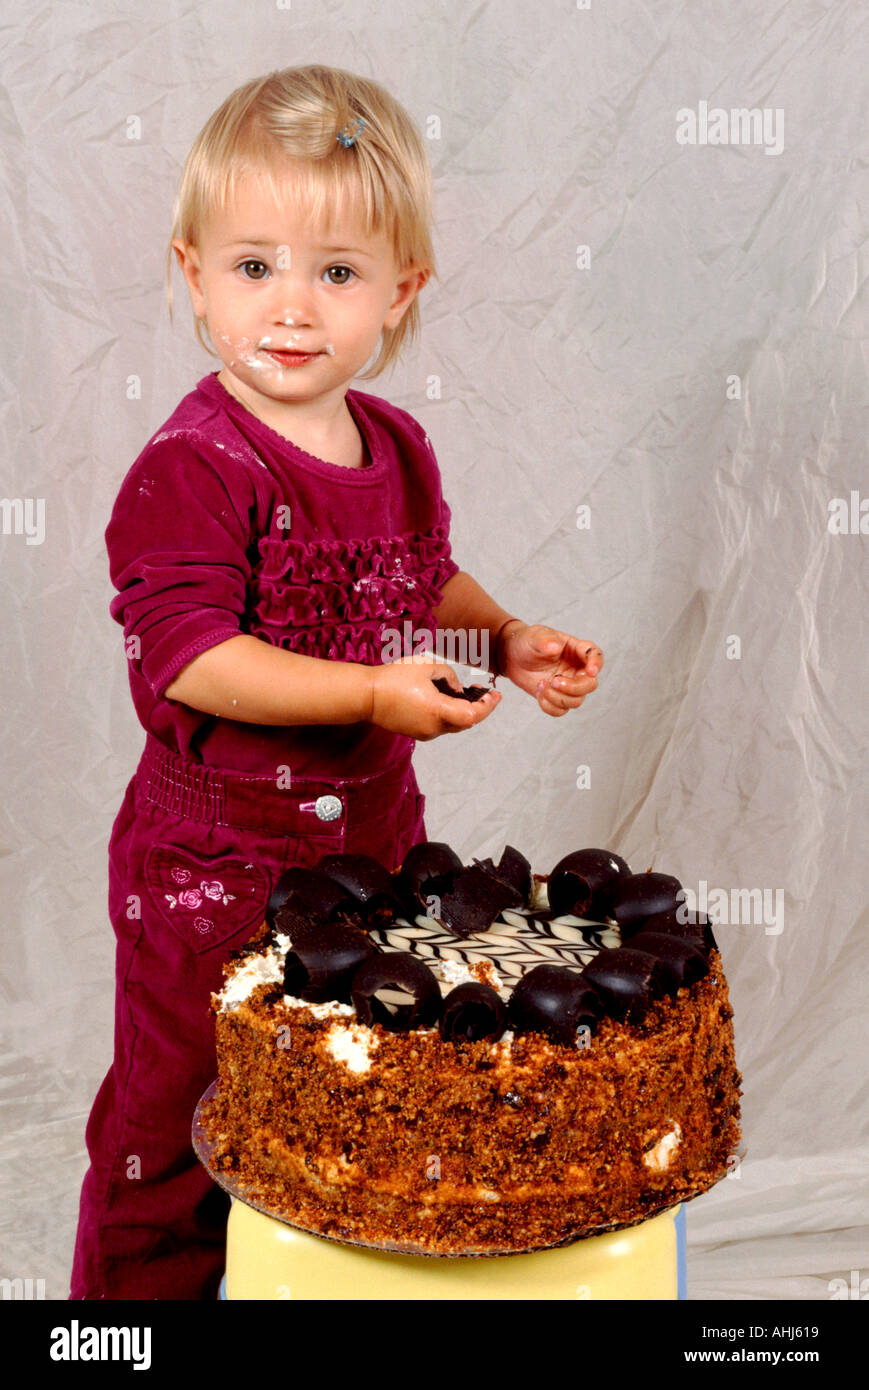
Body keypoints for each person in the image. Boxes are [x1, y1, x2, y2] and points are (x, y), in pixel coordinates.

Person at [69, 63, 604, 1300]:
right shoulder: (194, 467)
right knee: (179, 1130)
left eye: (337, 272)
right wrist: (369, 697)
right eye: (253, 266)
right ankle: (127, 1322)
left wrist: (506, 643)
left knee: (337, 1115)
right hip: (208, 871)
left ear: (400, 291)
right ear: (192, 272)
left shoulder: (397, 446)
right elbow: (196, 657)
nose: (292, 307)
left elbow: (418, 589)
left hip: (367, 852)